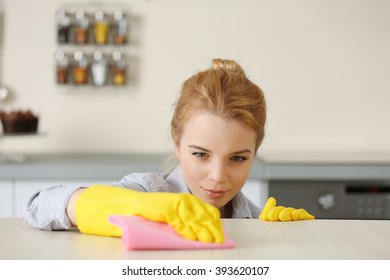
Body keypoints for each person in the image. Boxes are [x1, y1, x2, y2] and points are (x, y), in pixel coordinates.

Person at [25, 58, 311, 244]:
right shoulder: (148, 192)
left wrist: (287, 242)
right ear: (177, 142)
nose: (217, 177)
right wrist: (135, 207)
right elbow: (39, 205)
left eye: (238, 158)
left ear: (254, 151)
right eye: (201, 154)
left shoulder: (255, 219)